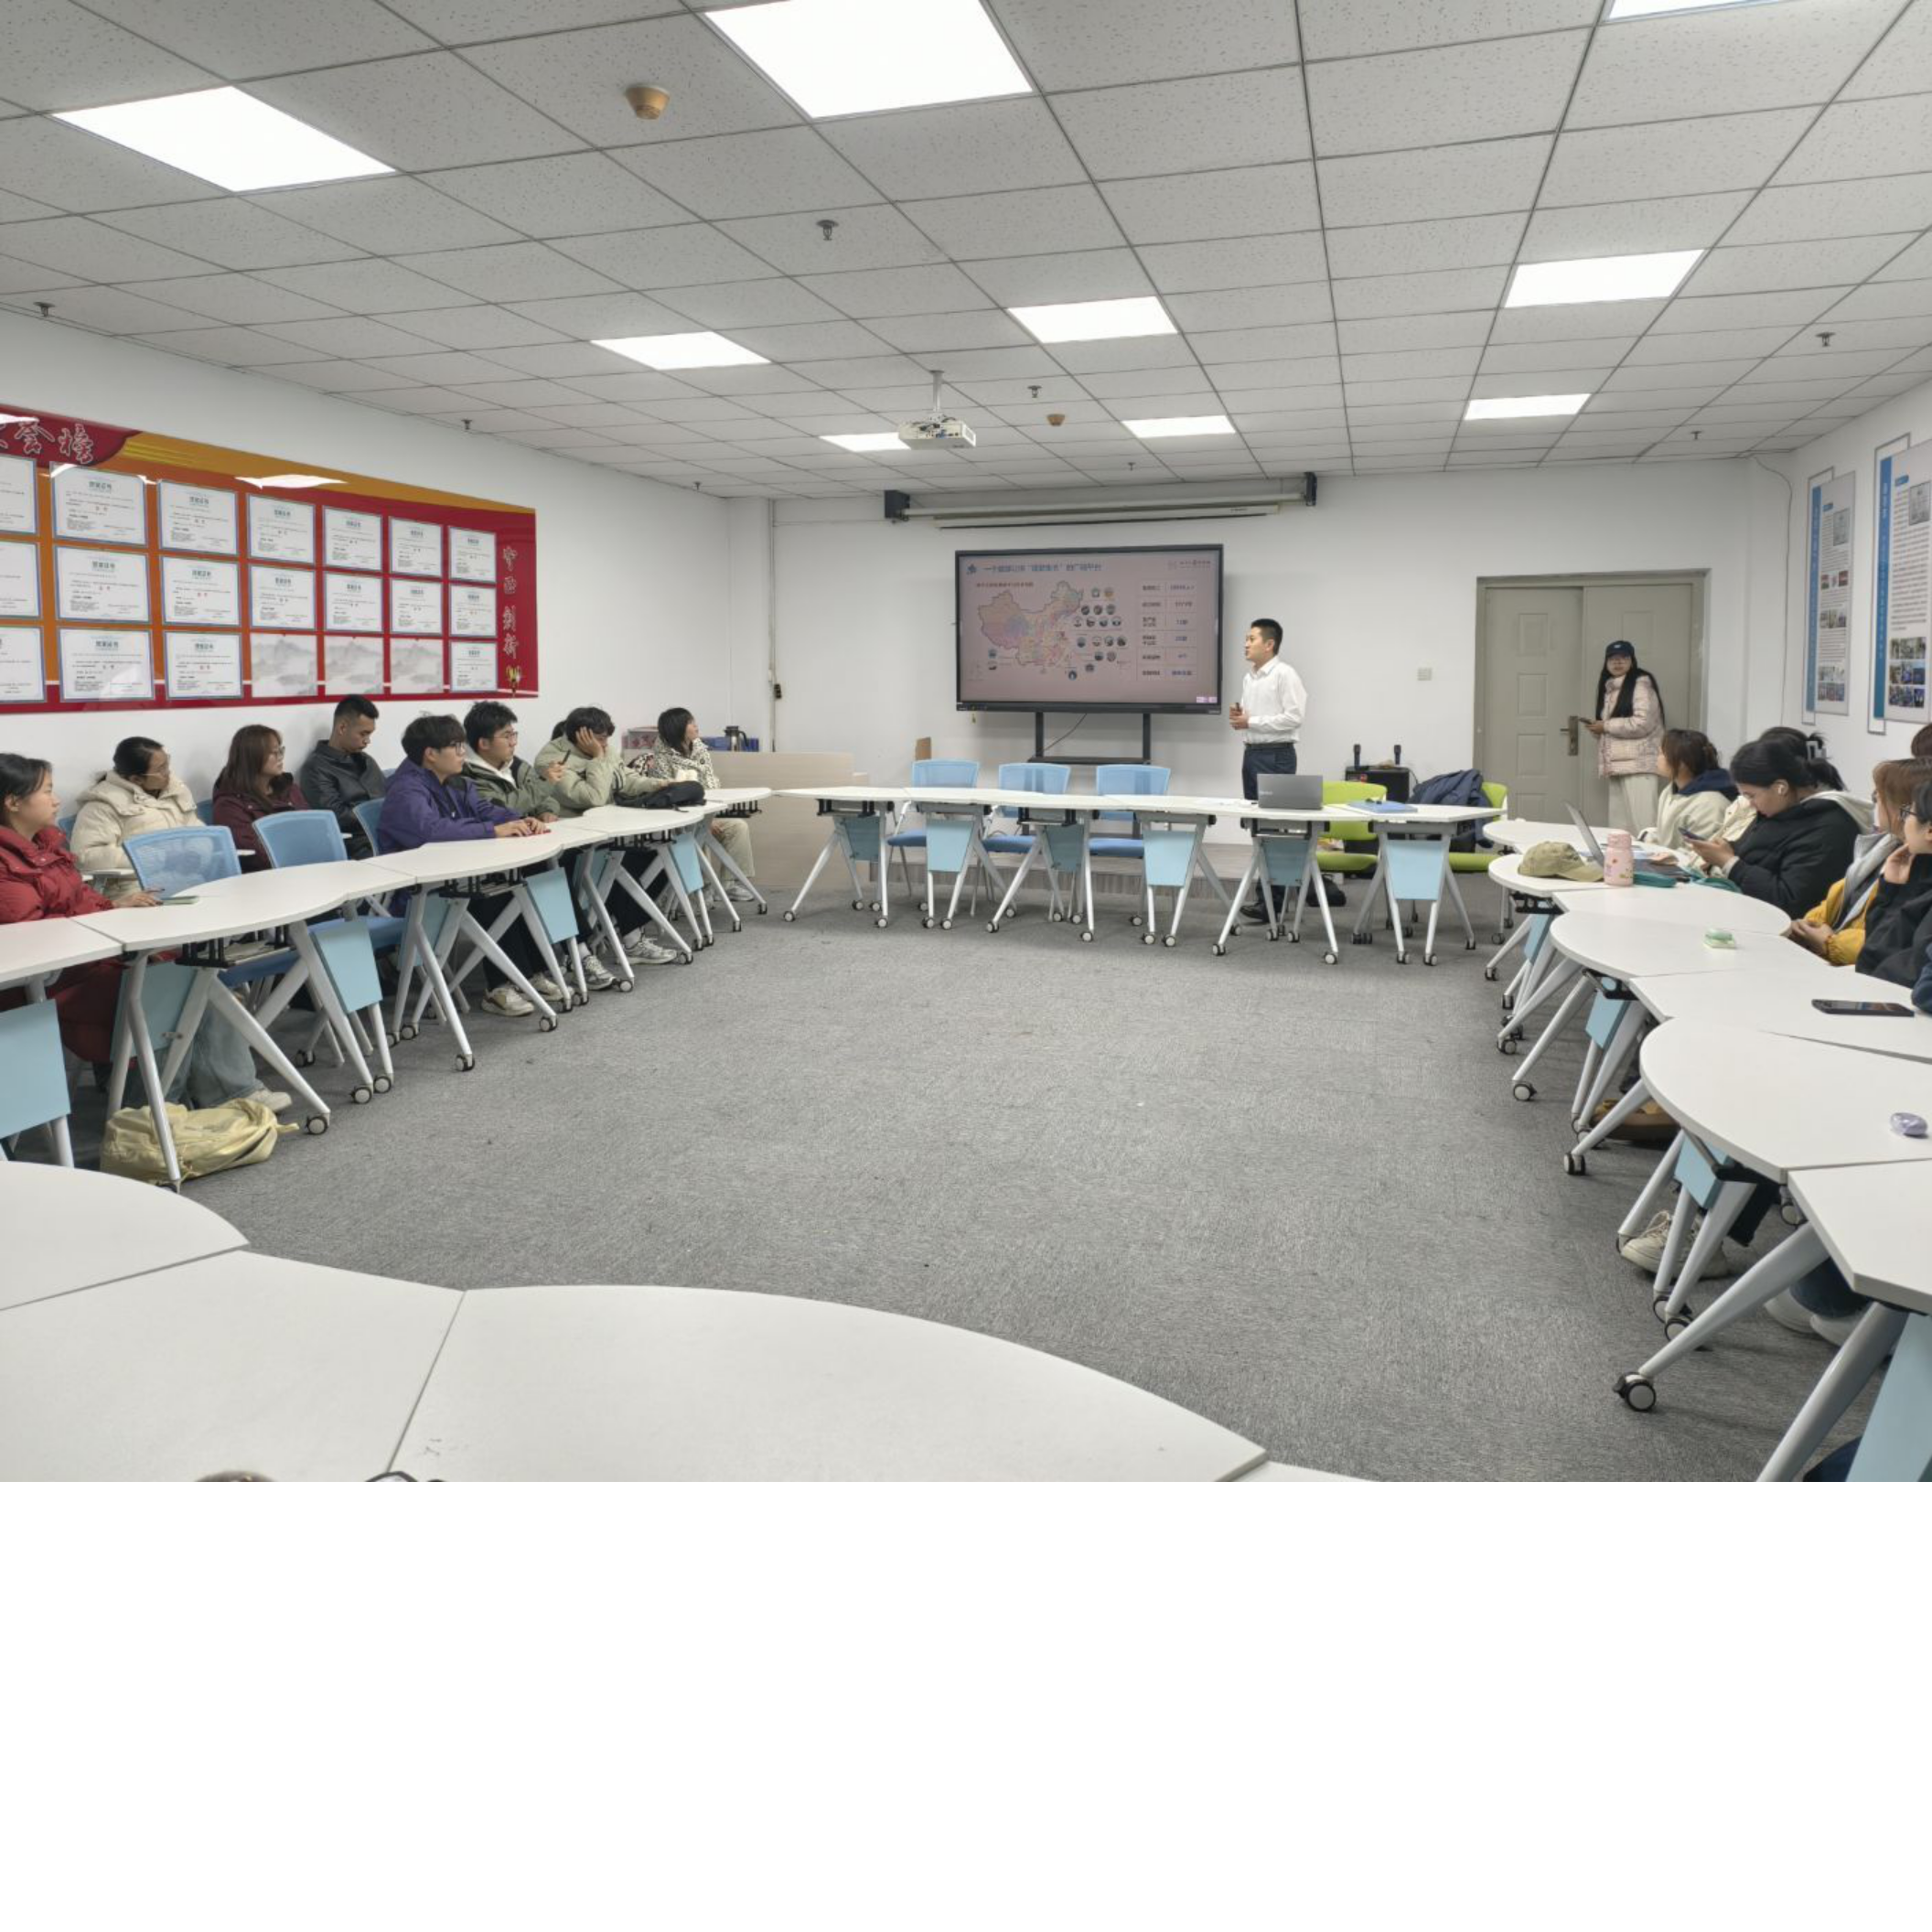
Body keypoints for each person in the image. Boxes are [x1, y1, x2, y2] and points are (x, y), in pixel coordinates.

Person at [0, 753, 284, 1111]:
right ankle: (155, 1108)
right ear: (13, 802)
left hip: (92, 958)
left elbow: (80, 898)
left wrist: (113, 907)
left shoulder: (48, 845)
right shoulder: (7, 866)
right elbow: (33, 938)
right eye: (47, 791)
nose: (57, 800)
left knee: (189, 972)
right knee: (173, 987)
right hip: (54, 981)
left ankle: (210, 1096)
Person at [378, 714, 561, 1019]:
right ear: (431, 754)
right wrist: (492, 831)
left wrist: (520, 820)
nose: (464, 753)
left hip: (454, 875)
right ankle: (499, 986)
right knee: (495, 894)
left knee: (522, 880)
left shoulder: (456, 782)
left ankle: (530, 973)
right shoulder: (406, 790)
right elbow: (431, 831)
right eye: (456, 747)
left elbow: (486, 811)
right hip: (419, 890)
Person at [462, 702, 615, 993]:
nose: (513, 742)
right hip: (490, 860)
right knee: (540, 877)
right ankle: (562, 961)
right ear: (483, 743)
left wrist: (545, 811)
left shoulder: (515, 765)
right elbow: (502, 809)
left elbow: (546, 799)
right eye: (507, 736)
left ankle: (577, 955)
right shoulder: (469, 776)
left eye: (514, 734)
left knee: (551, 874)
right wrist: (542, 789)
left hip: (526, 849)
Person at [531, 705, 680, 965]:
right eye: (600, 739)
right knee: (616, 867)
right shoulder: (551, 759)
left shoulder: (604, 749)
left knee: (658, 856)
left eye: (606, 739)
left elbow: (627, 780)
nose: (605, 744)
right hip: (571, 841)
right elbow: (594, 798)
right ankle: (628, 940)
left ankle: (629, 934)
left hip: (603, 834)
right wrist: (597, 757)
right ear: (582, 735)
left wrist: (659, 784)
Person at [1683, 733, 1869, 916]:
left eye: (1751, 795)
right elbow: (1761, 856)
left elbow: (1790, 901)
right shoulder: (1779, 809)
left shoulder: (1828, 828)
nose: (1749, 803)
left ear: (1781, 787)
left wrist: (1729, 863)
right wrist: (1727, 849)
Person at [1785, 757, 1930, 965]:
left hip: (1851, 966)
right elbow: (1842, 898)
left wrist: (1829, 943)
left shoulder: (1919, 867)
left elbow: (1889, 943)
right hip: (1840, 959)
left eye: (1879, 796)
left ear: (1904, 810)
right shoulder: (1885, 847)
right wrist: (1810, 925)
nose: (1875, 802)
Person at [1229, 617, 1307, 920]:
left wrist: (1252, 721)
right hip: (1252, 754)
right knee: (1257, 827)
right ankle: (1267, 898)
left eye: (1252, 639)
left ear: (1269, 644)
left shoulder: (1285, 674)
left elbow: (1294, 717)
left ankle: (1274, 901)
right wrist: (1242, 719)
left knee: (1274, 828)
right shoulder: (1250, 678)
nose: (1246, 644)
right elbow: (1253, 719)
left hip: (1276, 756)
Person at [639, 705, 755, 900]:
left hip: (704, 812)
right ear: (678, 728)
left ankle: (728, 885)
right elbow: (669, 795)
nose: (696, 726)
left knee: (738, 828)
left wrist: (709, 817)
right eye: (690, 723)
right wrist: (702, 819)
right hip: (678, 821)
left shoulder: (700, 748)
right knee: (694, 835)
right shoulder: (662, 756)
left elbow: (712, 785)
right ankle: (699, 890)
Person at [68, 735, 201, 903]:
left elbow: (197, 829)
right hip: (138, 892)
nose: (168, 773)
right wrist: (160, 858)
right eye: (161, 769)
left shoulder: (175, 790)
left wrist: (196, 853)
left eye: (167, 764)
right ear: (136, 779)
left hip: (188, 880)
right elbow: (86, 857)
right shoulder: (102, 805)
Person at [1857, 774, 1932, 986]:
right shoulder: (1917, 867)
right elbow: (1875, 953)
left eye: (1909, 813)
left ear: (1930, 831)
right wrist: (1893, 889)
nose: (1903, 820)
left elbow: (1883, 966)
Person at [1586, 639, 1665, 832]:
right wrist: (1599, 729)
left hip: (1639, 766)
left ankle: (1651, 855)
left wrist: (1606, 726)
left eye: (1623, 657)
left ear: (1632, 661)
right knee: (1620, 830)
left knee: (1645, 828)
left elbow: (1642, 724)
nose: (1617, 662)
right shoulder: (1611, 689)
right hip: (1619, 766)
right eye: (1612, 658)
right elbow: (1618, 729)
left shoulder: (1641, 685)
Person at [211, 724, 310, 868]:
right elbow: (255, 854)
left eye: (280, 750)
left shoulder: (289, 789)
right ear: (252, 757)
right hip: (265, 875)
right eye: (274, 752)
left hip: (305, 867)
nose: (280, 757)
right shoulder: (229, 804)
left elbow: (313, 830)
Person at [297, 696, 385, 853]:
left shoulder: (367, 761)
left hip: (386, 835)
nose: (367, 741)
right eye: (363, 734)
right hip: (356, 845)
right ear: (342, 728)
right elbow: (337, 817)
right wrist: (382, 814)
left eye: (369, 735)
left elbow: (389, 797)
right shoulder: (316, 769)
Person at [1637, 728, 1733, 853]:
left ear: (1682, 763)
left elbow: (1699, 853)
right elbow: (1669, 837)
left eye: (1661, 754)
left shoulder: (1710, 804)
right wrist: (1649, 837)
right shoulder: (1671, 790)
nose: (1657, 758)